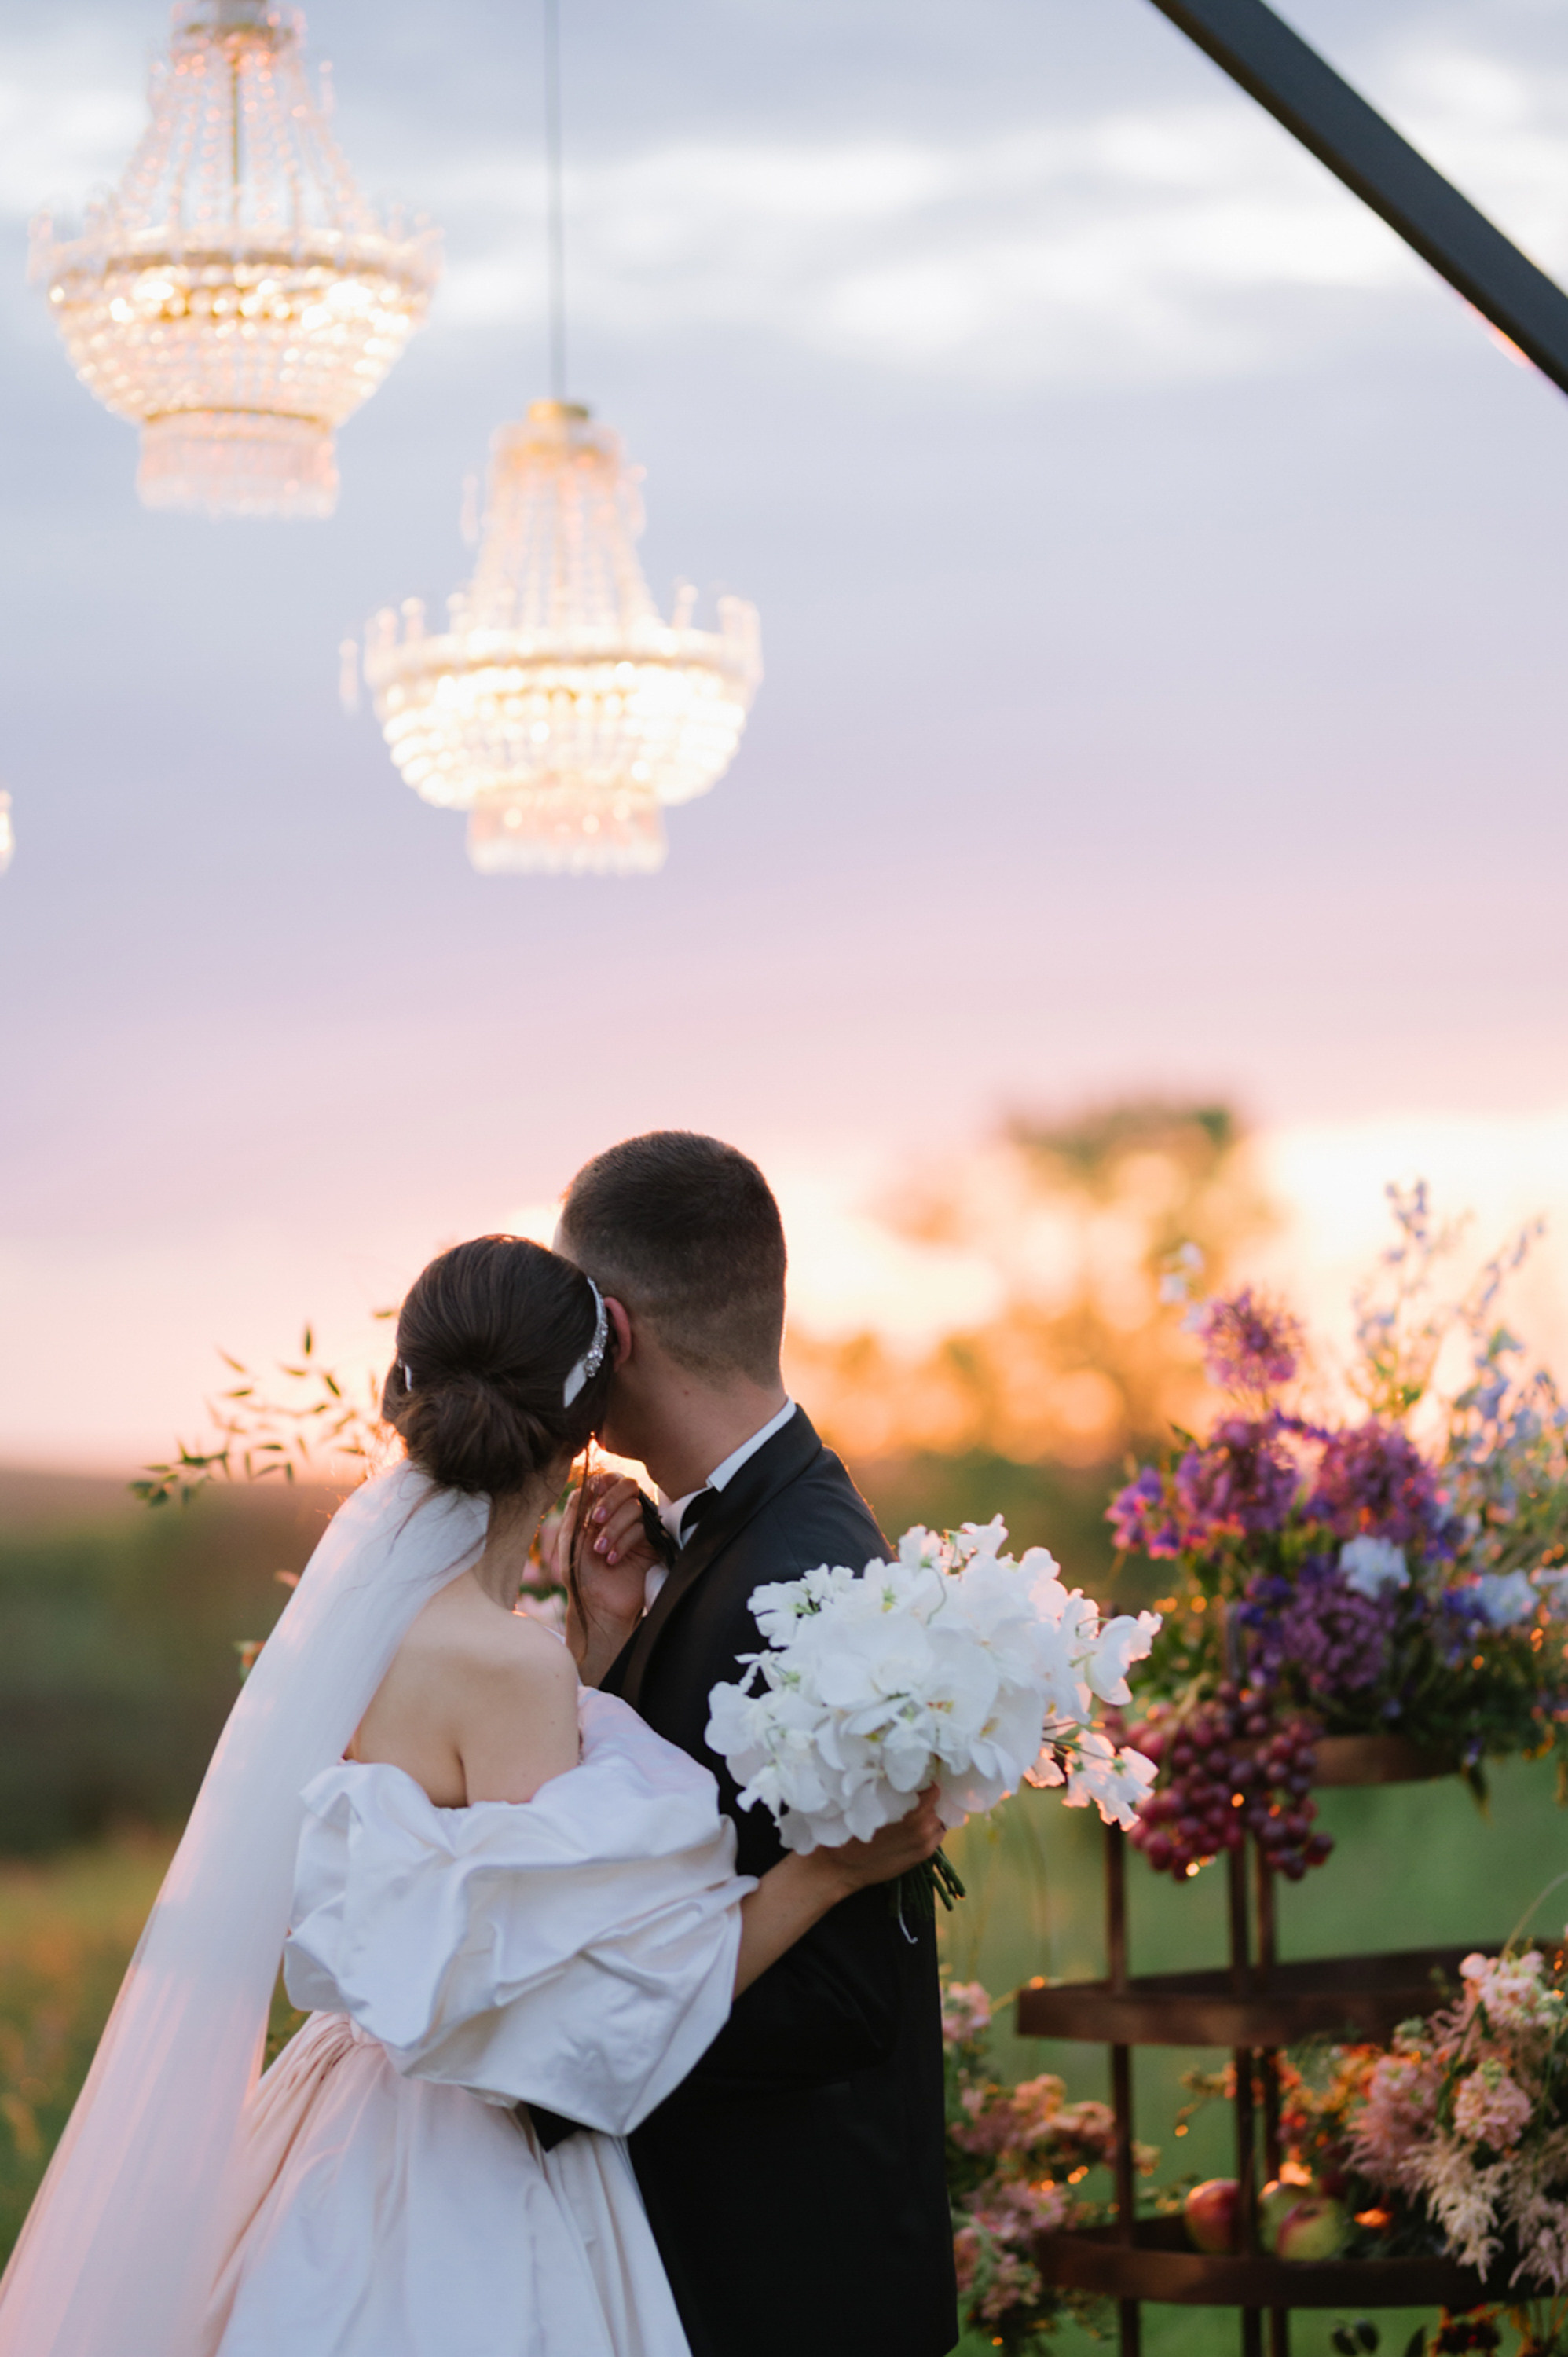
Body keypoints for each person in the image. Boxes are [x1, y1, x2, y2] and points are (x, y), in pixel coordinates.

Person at [0, 1235, 940, 2357]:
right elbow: (586, 2003)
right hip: (463, 2161)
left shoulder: (365, 1631)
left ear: (400, 1397)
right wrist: (829, 1870)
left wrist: (593, 1650)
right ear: (584, 1427)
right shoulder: (505, 1666)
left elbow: (483, 1855)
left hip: (340, 2113)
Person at [555, 1131, 960, 2357]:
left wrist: (570, 2047)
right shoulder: (729, 1537)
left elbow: (840, 1996)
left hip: (789, 2280)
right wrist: (602, 1645)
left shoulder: (806, 1574)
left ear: (613, 1332)